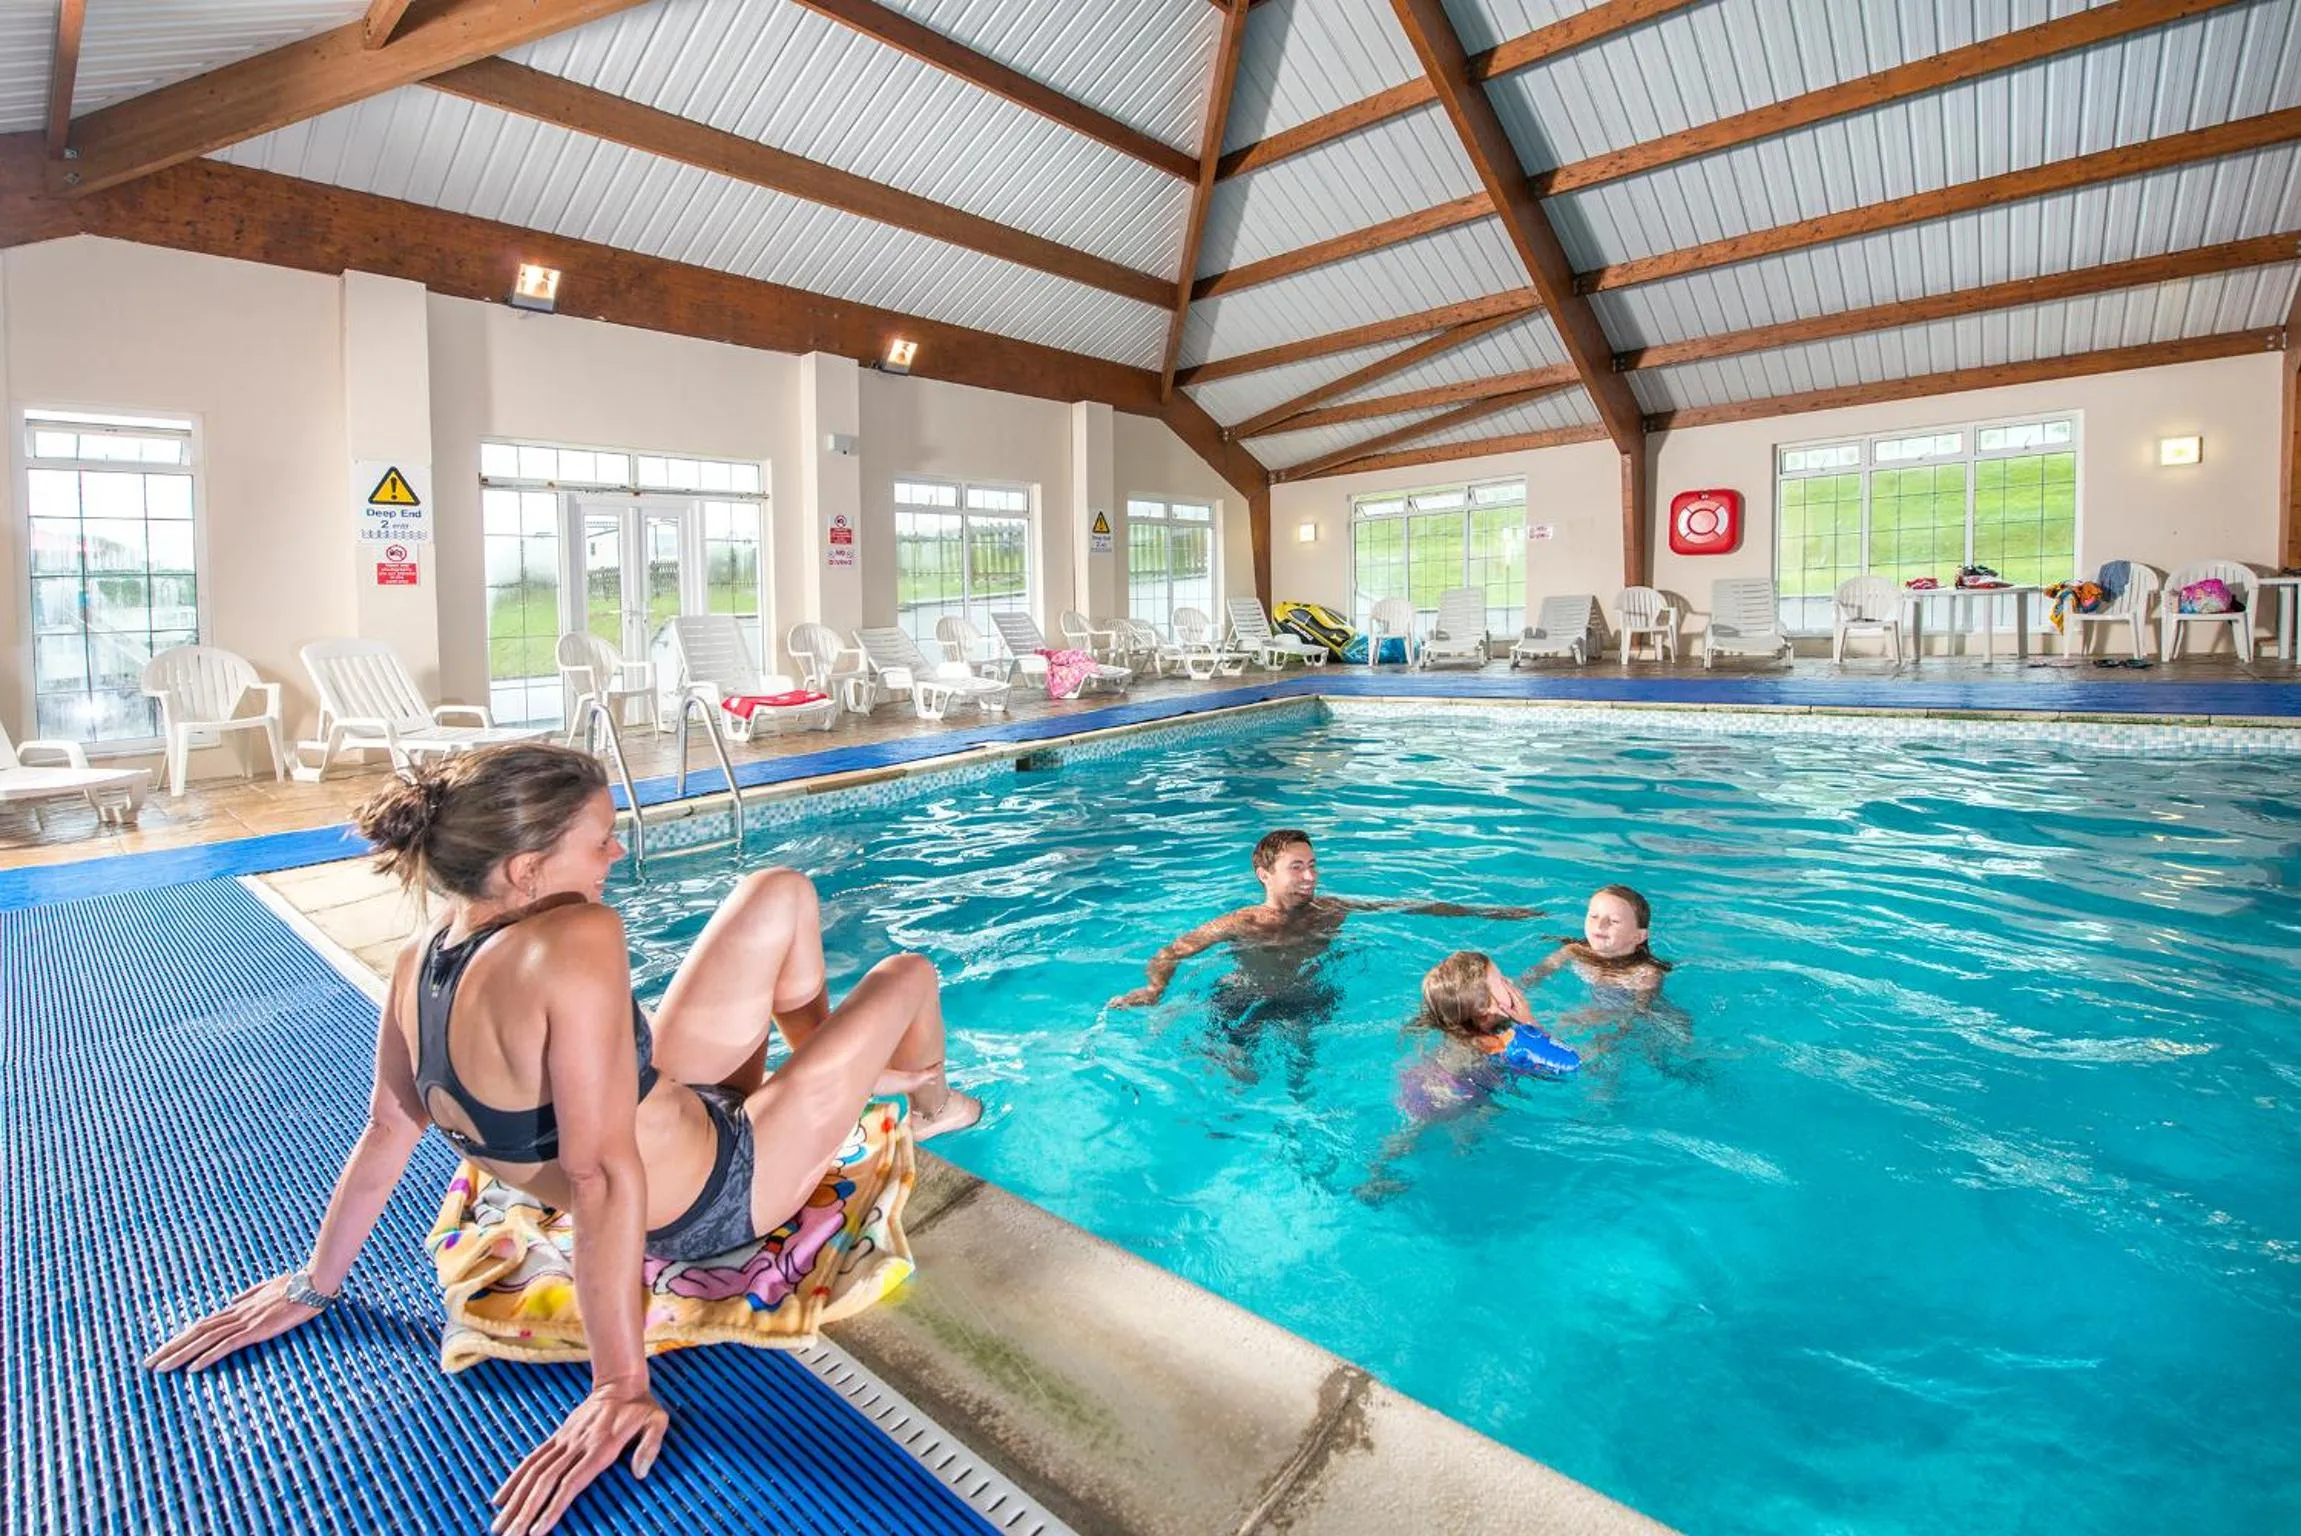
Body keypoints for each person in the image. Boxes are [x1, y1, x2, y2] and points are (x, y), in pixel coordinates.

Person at [144, 743, 980, 1536]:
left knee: (779, 889)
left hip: (682, 1109)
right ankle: (924, 1104)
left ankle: (824, 1082)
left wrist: (315, 1285)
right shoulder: (579, 938)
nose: (615, 854)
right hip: (719, 1195)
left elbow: (388, 1129)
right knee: (907, 975)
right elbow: (602, 1179)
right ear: (524, 869)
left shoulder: (421, 954)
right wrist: (620, 1384)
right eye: (600, 838)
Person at [1105, 829, 1538, 1087]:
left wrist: (1494, 912)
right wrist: (1154, 988)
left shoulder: (1330, 911)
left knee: (1303, 1078)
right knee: (1238, 1080)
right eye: (1297, 867)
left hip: (1307, 999)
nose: (1310, 876)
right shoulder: (1240, 923)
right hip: (1243, 998)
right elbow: (1172, 951)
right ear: (1265, 875)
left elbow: (1409, 906)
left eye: (1313, 864)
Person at [1357, 952, 1576, 1203]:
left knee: (1411, 1130)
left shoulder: (1463, 1024)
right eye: (1502, 980)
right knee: (1430, 1127)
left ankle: (1379, 1170)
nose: (1510, 983)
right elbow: (1562, 1063)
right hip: (1454, 1094)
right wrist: (1530, 1023)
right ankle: (1379, 1176)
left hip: (1428, 1077)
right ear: (1485, 1007)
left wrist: (1559, 958)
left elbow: (1527, 980)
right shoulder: (1497, 1044)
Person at [1521, 884, 1671, 1009]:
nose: (1600, 925)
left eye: (1613, 921)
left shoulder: (1645, 974)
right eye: (1594, 916)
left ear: (1638, 936)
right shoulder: (1573, 951)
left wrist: (1593, 1018)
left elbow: (1637, 1014)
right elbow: (1536, 974)